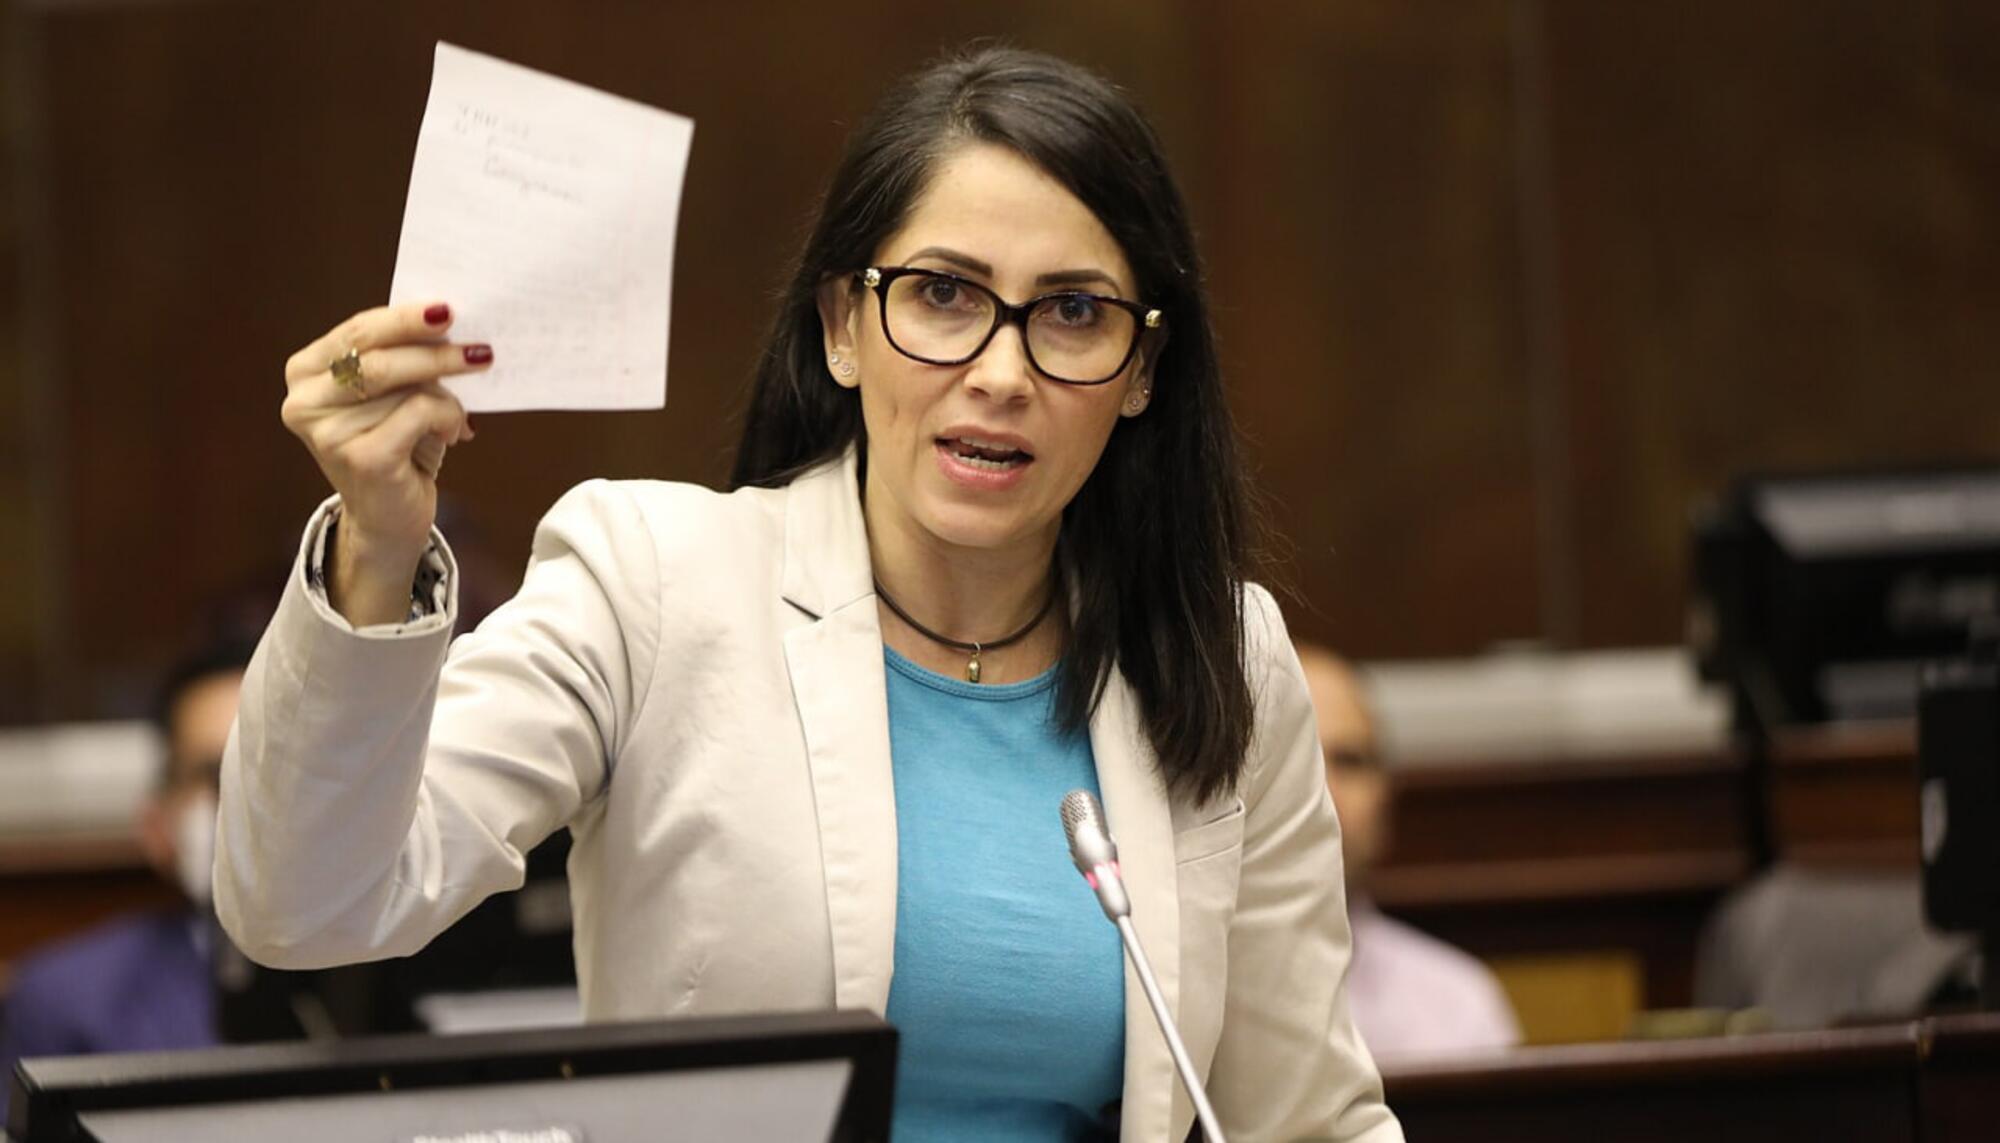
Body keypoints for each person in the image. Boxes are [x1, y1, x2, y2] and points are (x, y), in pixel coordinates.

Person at [220, 46, 1402, 1141]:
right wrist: (375, 549)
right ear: (843, 324)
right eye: (941, 295)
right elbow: (306, 906)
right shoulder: (651, 582)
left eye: (1073, 314)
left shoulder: (1219, 652)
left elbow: (1308, 1119)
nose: (998, 373)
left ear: (1141, 369)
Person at [0, 641, 246, 1118]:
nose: (250, 802)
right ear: (157, 824)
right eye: (216, 774)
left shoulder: (394, 971)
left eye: (276, 772)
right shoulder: (65, 1001)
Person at [1295, 643, 1520, 1062]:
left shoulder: (1459, 1006)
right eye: (1295, 759)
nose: (1327, 793)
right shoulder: (1174, 1002)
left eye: (1349, 761)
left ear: (1387, 795)